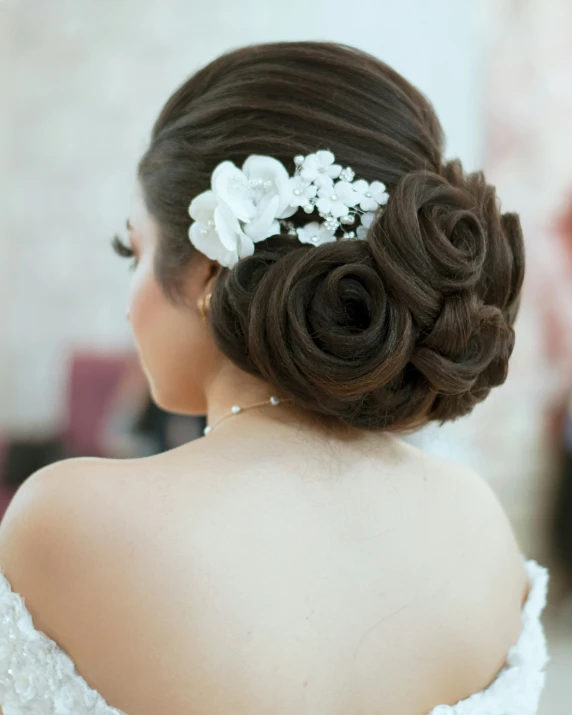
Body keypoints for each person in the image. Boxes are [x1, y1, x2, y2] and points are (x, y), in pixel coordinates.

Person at [0, 42, 548, 715]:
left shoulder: (63, 518)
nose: (127, 301)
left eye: (134, 251)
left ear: (206, 269)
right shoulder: (482, 524)